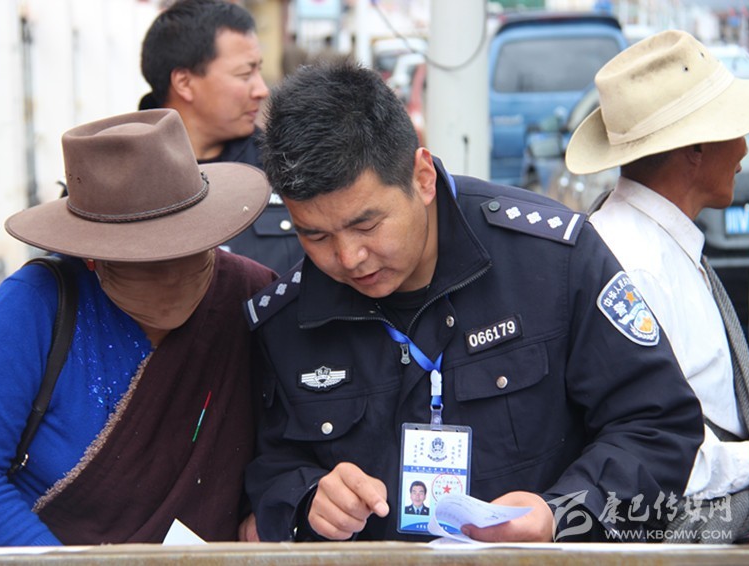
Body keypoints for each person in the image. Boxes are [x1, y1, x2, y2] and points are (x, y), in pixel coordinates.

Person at [242, 61, 704, 543]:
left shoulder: (553, 261)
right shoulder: (285, 319)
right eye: (315, 236)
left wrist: (560, 515)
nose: (348, 257)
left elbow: (657, 424)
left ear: (422, 177)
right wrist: (309, 499)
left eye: (367, 225)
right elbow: (267, 469)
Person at [0, 108, 276, 546]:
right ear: (91, 256)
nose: (170, 276)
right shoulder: (36, 304)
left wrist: (269, 506)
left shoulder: (250, 295)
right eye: (142, 261)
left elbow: (291, 448)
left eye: (186, 250)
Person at [565, 30, 749, 543]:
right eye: (733, 129)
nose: (744, 148)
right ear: (694, 148)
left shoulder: (647, 245)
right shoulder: (637, 264)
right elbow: (662, 454)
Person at [139, 0, 304, 274]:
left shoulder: (287, 167)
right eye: (245, 74)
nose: (262, 90)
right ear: (184, 83)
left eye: (259, 70)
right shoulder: (113, 178)